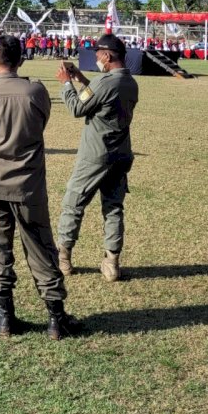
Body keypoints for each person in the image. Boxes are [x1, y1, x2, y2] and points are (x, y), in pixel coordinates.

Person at [0, 35, 81, 340]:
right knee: (42, 249)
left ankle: (5, 316)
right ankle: (57, 319)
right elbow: (40, 123)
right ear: (21, 60)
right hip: (28, 186)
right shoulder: (35, 91)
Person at [55, 33, 138, 282]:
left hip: (95, 155)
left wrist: (66, 84)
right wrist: (81, 79)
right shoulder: (129, 82)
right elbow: (101, 97)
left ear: (108, 55)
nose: (97, 59)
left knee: (73, 204)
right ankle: (112, 263)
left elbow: (77, 108)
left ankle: (63, 260)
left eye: (98, 55)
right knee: (113, 208)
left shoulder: (105, 82)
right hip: (120, 154)